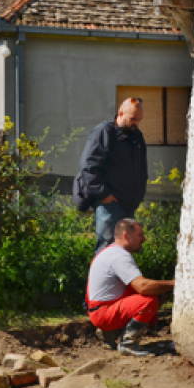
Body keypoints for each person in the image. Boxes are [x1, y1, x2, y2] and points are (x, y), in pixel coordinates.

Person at [85, 218, 175, 356]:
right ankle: (128, 344)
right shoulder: (119, 256)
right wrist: (177, 284)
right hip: (103, 313)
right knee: (149, 299)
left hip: (100, 309)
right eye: (140, 235)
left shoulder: (110, 251)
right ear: (126, 236)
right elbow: (143, 287)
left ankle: (109, 333)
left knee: (154, 292)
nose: (144, 239)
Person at [79, 97, 148, 254]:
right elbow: (88, 166)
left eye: (139, 119)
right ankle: (100, 280)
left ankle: (120, 280)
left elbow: (141, 169)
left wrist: (138, 195)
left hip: (129, 203)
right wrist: (104, 195)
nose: (136, 123)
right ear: (120, 113)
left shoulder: (136, 136)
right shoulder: (104, 132)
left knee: (125, 251)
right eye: (133, 119)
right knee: (106, 250)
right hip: (110, 204)